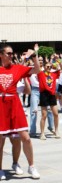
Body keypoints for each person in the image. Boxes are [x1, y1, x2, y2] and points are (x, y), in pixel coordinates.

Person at [0, 44, 41, 179]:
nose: (11, 56)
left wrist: (34, 56)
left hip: (15, 105)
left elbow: (37, 70)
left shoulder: (17, 68)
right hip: (1, 105)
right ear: (1, 55)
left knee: (26, 138)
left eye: (12, 53)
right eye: (8, 53)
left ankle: (31, 167)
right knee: (1, 140)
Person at [38, 56, 62, 140]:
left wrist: (59, 60)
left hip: (52, 95)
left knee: (56, 114)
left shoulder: (53, 74)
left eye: (50, 66)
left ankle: (56, 131)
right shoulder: (41, 74)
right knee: (44, 115)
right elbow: (37, 66)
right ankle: (42, 133)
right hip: (44, 94)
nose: (49, 68)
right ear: (44, 67)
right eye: (47, 66)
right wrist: (37, 53)